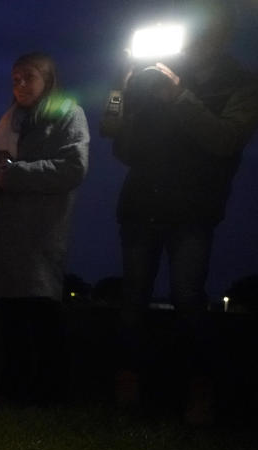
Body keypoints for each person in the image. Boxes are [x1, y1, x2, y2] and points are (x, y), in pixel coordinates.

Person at [107, 2, 258, 424]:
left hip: (193, 207)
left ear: (222, 34)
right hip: (141, 203)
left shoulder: (242, 83)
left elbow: (226, 139)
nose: (195, 40)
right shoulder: (159, 73)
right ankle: (127, 388)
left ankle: (200, 390)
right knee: (132, 299)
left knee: (187, 297)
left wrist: (179, 97)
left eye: (206, 31)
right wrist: (124, 89)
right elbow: (120, 145)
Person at [0, 52, 89, 404]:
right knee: (11, 311)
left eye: (28, 77)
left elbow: (73, 167)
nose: (20, 85)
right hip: (9, 229)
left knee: (41, 310)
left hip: (42, 229)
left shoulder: (68, 114)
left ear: (47, 78)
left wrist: (12, 173)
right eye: (15, 79)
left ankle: (51, 390)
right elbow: (4, 167)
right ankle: (15, 386)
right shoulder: (12, 121)